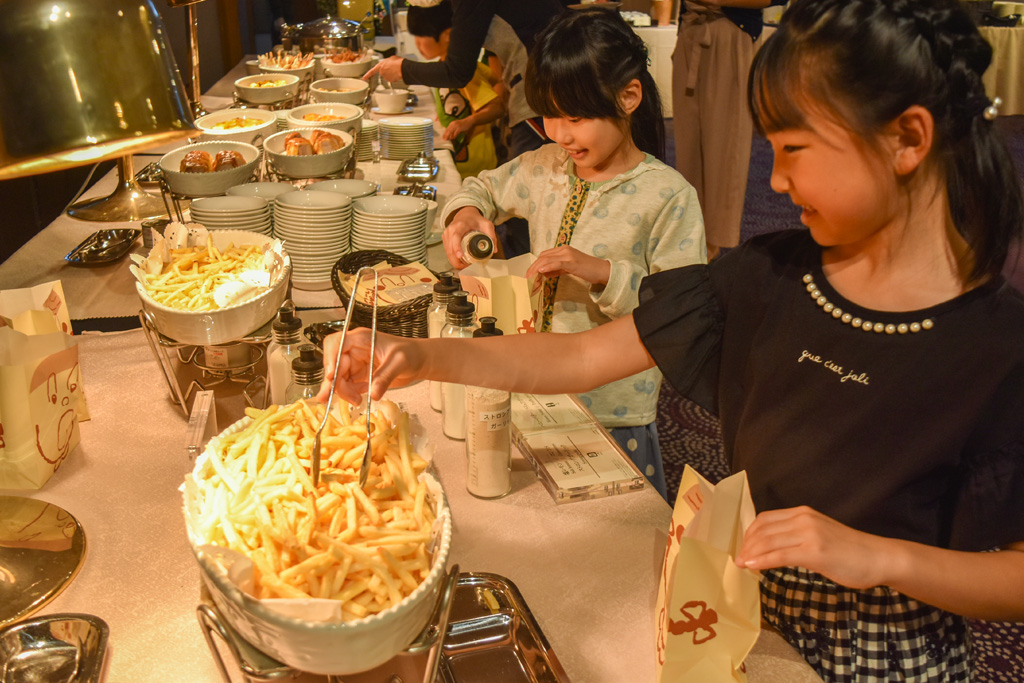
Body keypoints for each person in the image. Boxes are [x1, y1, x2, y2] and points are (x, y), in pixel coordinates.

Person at [320, 0, 1024, 679]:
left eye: (795, 151)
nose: (774, 181)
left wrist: (877, 556)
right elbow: (581, 355)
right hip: (742, 622)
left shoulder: (995, 348)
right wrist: (420, 356)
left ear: (907, 138)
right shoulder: (770, 276)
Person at [439, 7, 705, 499]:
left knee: (609, 534)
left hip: (615, 405)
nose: (560, 133)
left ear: (628, 97)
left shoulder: (668, 197)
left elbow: (685, 317)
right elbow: (483, 188)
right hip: (537, 387)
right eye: (549, 115)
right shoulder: (546, 167)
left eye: (576, 117)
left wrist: (604, 273)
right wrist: (466, 214)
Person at [369, 0, 566, 257]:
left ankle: (523, 270)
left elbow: (458, 71)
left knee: (527, 198)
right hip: (537, 89)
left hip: (540, 95)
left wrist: (403, 68)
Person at [672, 0, 786, 260]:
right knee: (688, 150)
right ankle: (688, 244)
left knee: (725, 149)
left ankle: (711, 253)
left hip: (731, 31)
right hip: (691, 29)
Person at [405, 1, 506, 179]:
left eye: (421, 37)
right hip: (461, 157)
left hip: (474, 162)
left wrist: (468, 121)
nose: (418, 44)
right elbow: (494, 79)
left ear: (447, 35)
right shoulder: (443, 66)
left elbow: (497, 107)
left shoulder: (463, 74)